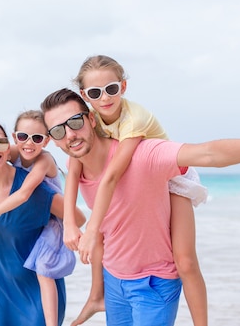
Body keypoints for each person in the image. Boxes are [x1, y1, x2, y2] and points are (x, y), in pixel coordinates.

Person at [40, 88, 240, 326]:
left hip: (153, 284)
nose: (69, 134)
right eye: (58, 131)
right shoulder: (74, 164)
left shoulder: (144, 155)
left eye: (75, 122)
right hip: (114, 281)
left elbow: (211, 154)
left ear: (91, 118)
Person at [62, 55, 208, 326]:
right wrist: (69, 223)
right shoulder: (89, 119)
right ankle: (97, 296)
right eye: (95, 92)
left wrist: (91, 229)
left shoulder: (135, 118)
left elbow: (113, 174)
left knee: (185, 261)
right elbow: (74, 166)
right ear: (85, 96)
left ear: (123, 87)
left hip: (173, 179)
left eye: (112, 89)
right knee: (109, 235)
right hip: (137, 183)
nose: (105, 98)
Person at [0, 118, 85, 326]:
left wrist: (65, 230)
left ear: (7, 144)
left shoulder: (36, 190)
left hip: (39, 299)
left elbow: (77, 217)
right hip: (3, 296)